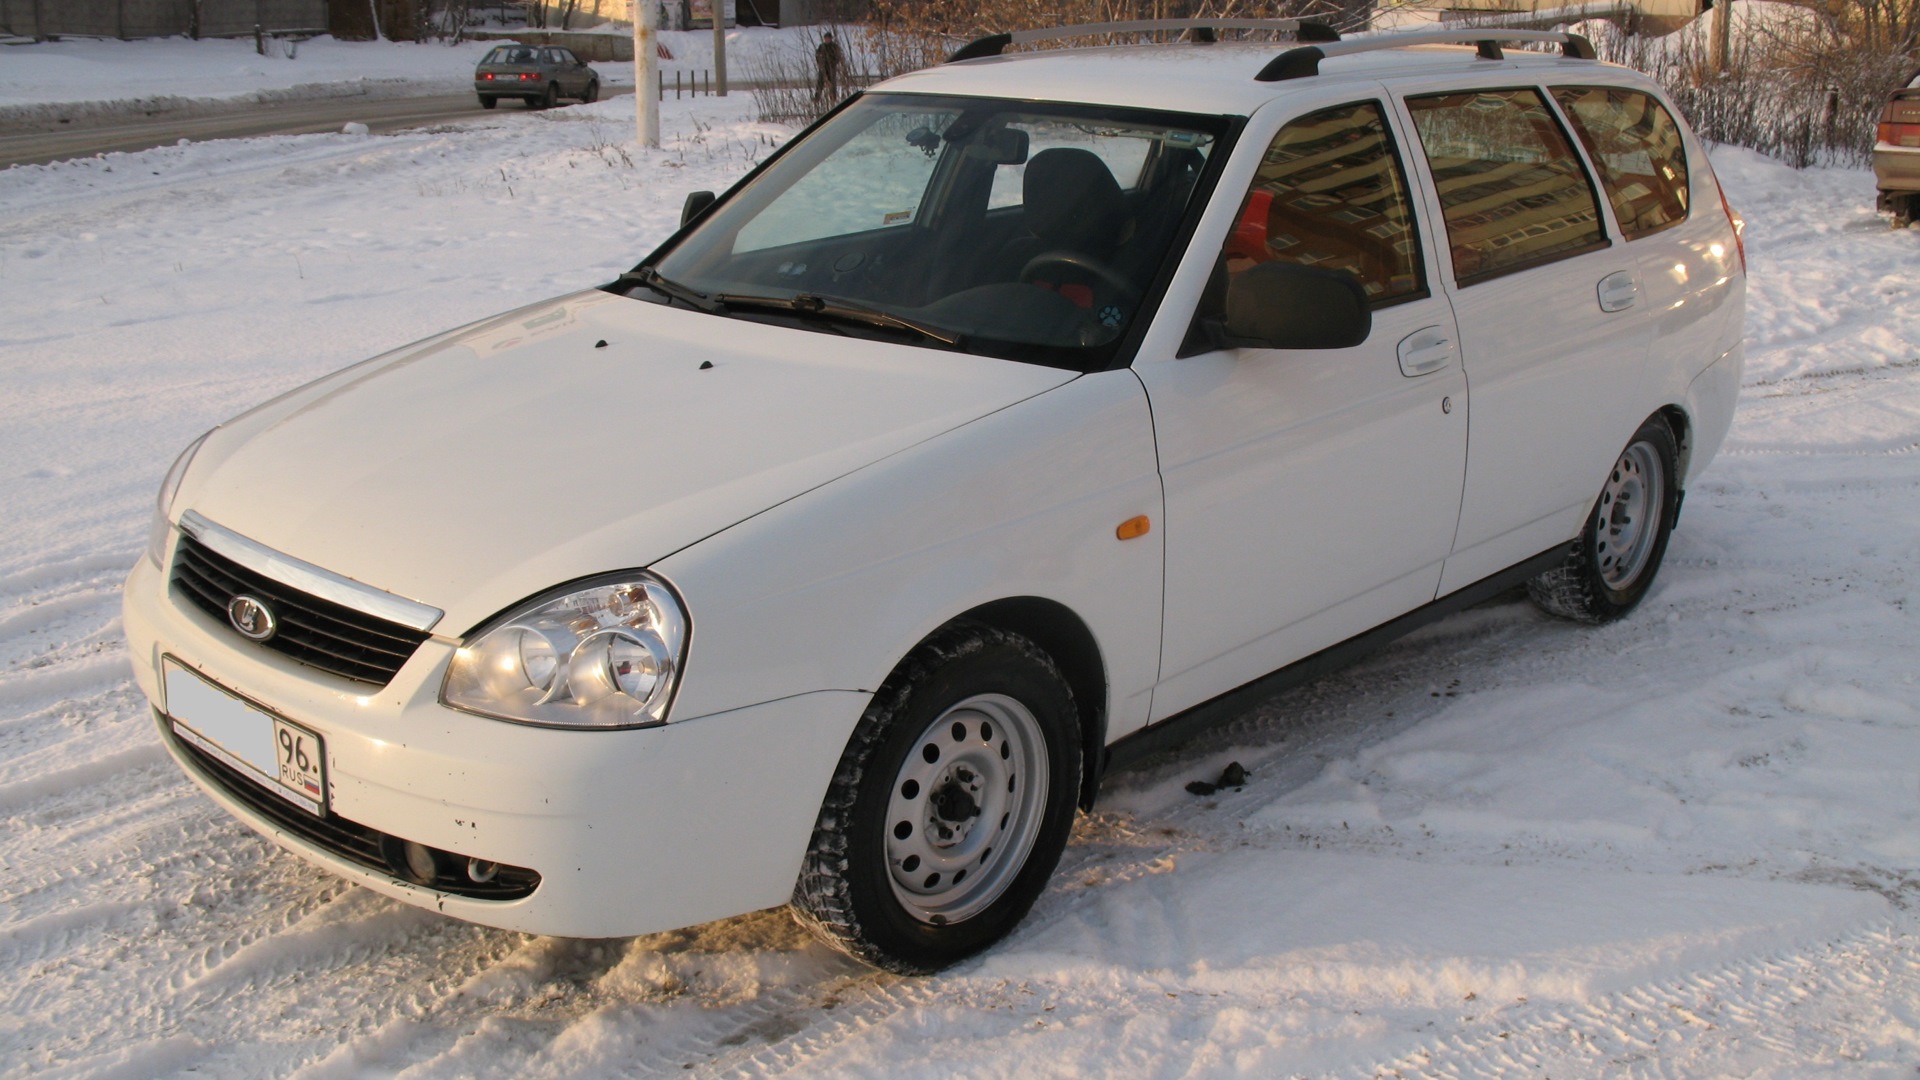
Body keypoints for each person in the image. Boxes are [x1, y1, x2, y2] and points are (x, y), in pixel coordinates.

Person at [813, 30, 844, 108]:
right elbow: (817, 55)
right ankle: (817, 98)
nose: (827, 40)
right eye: (826, 38)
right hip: (823, 67)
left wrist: (833, 63)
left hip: (831, 68)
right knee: (820, 82)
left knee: (832, 83)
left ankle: (833, 98)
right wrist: (820, 63)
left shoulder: (834, 47)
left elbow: (838, 56)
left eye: (828, 38)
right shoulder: (822, 46)